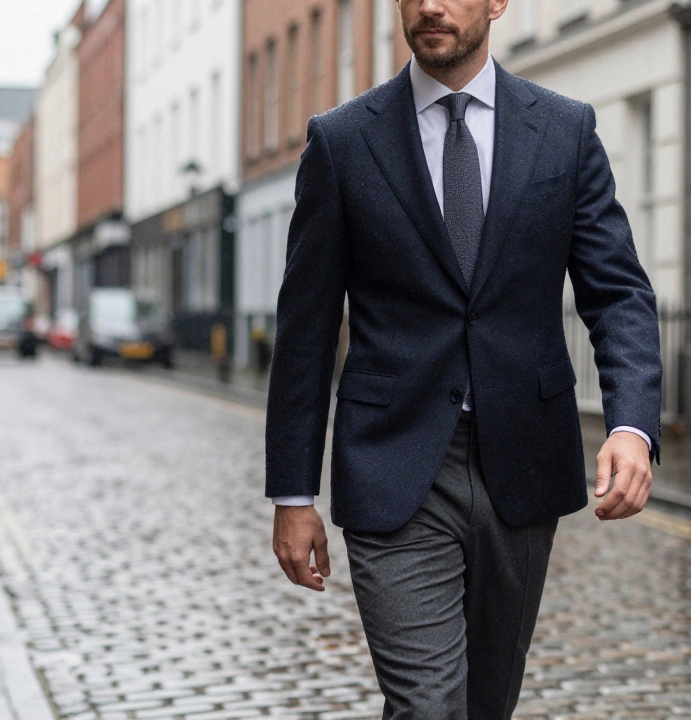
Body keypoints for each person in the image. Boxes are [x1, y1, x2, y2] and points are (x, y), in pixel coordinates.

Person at [265, 0, 662, 716]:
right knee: (427, 705)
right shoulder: (343, 141)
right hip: (393, 463)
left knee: (485, 703)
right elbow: (306, 329)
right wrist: (294, 495)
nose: (430, 5)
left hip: (524, 460)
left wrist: (631, 425)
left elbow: (617, 293)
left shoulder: (564, 130)